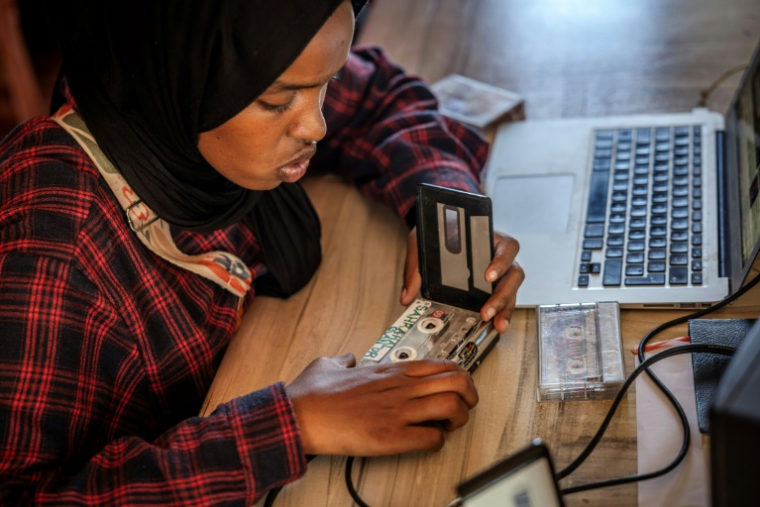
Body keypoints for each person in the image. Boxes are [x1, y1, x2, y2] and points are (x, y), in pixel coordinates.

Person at [0, 0, 524, 504]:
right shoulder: (52, 258)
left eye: (327, 84)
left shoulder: (199, 94)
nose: (315, 125)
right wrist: (291, 424)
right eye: (278, 102)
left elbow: (383, 96)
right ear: (180, 73)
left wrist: (444, 215)